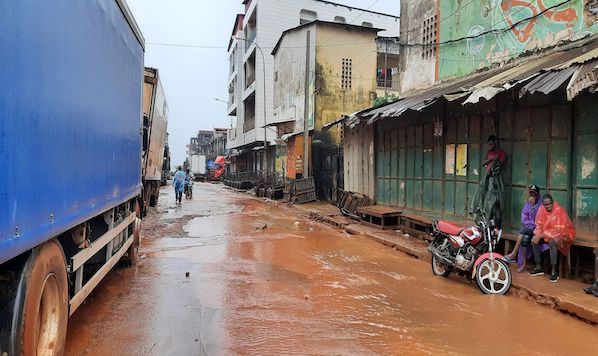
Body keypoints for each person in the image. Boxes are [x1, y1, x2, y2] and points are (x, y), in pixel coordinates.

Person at [529, 194, 575, 283]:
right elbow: (539, 226)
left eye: (549, 204)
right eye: (546, 204)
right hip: (547, 234)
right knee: (534, 241)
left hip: (562, 235)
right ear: (543, 204)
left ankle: (554, 271)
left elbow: (559, 230)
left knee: (552, 242)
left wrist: (542, 235)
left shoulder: (558, 211)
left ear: (552, 203)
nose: (548, 206)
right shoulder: (541, 210)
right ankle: (539, 267)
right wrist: (538, 235)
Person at [504, 184, 542, 272]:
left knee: (522, 230)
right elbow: (524, 217)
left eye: (534, 194)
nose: (532, 196)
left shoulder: (541, 204)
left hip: (538, 229)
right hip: (529, 228)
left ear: (538, 195)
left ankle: (513, 254)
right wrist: (529, 223)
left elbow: (539, 220)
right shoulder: (528, 203)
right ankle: (523, 264)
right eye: (531, 194)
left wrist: (533, 208)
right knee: (524, 239)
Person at [472, 135, 507, 227]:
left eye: (491, 144)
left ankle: (493, 222)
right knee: (483, 198)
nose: (490, 146)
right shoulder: (489, 153)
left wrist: (496, 162)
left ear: (495, 143)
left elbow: (501, 164)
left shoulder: (500, 153)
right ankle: (484, 220)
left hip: (495, 179)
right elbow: (483, 163)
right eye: (489, 144)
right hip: (487, 178)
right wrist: (490, 160)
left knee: (494, 201)